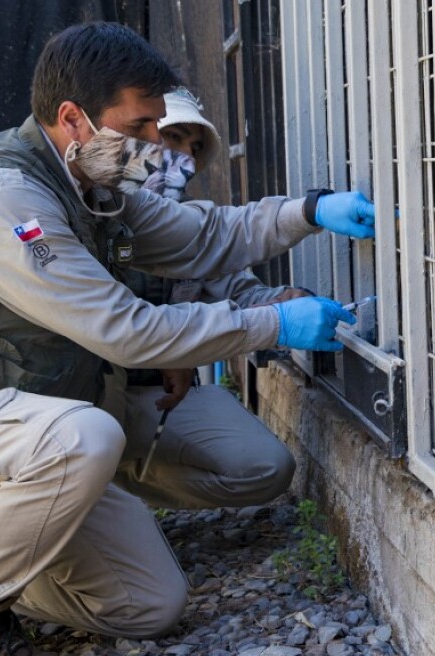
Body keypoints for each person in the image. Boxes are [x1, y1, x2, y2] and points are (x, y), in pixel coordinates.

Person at [0, 22, 378, 655]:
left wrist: (309, 211)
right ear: (73, 118)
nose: (154, 146)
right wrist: (272, 325)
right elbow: (126, 332)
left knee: (147, 604)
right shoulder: (1, 196)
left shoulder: (91, 186)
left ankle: (0, 551)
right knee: (84, 437)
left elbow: (203, 238)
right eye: (141, 127)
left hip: (32, 432)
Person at [106, 87, 308, 510]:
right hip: (83, 395)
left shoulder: (186, 225)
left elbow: (237, 288)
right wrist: (170, 344)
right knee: (81, 439)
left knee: (266, 467)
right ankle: (91, 496)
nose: (186, 158)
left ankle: (124, 490)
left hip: (154, 398)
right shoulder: (92, 214)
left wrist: (286, 304)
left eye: (194, 148)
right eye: (174, 136)